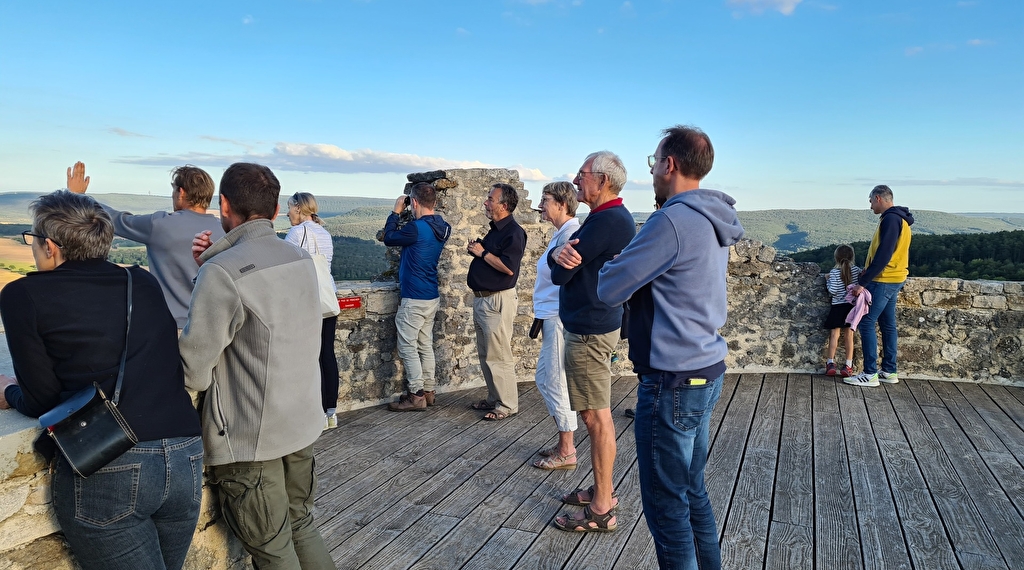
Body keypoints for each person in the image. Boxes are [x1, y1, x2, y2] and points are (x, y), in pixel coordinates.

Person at [0, 190, 203, 570]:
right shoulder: (139, 283)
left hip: (111, 461)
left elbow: (42, 400)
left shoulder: (22, 295)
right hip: (184, 454)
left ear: (51, 247)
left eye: (32, 240)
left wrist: (9, 393)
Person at [598, 125, 745, 569]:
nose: (654, 170)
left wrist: (614, 263)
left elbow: (610, 286)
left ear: (670, 165)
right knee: (691, 491)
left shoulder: (672, 220)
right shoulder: (711, 216)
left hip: (671, 381)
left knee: (666, 507)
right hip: (706, 369)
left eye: (654, 161)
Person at [180, 163, 334, 570]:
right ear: (277, 207)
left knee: (272, 546)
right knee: (301, 524)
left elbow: (193, 369)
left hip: (251, 436)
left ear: (223, 204)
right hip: (300, 424)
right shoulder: (300, 258)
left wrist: (210, 272)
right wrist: (212, 268)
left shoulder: (222, 272)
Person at [550, 151, 636, 533]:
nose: (577, 179)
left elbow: (560, 275)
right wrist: (558, 255)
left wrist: (557, 258)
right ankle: (602, 492)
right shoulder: (610, 218)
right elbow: (562, 262)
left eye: (582, 174)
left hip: (588, 328)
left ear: (602, 180)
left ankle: (602, 507)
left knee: (595, 417)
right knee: (594, 413)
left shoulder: (606, 221)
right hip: (596, 323)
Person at [65, 161, 224, 328]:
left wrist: (78, 197)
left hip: (168, 327)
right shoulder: (223, 230)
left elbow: (116, 220)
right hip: (209, 327)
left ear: (181, 192)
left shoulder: (160, 225)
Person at [382, 182, 452, 411]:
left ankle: (416, 394)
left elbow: (389, 237)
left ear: (413, 202)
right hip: (431, 295)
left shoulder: (417, 228)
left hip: (414, 296)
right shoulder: (443, 227)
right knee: (424, 344)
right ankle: (429, 390)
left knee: (407, 346)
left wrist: (395, 212)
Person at [530, 181, 581, 470]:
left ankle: (567, 449)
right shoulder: (561, 234)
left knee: (555, 381)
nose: (541, 204)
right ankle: (564, 442)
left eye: (545, 199)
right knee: (544, 378)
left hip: (559, 317)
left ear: (562, 204)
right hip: (552, 315)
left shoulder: (571, 234)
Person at [466, 183, 527, 421]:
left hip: (496, 301)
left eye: (490, 199)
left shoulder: (514, 232)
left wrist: (482, 253)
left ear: (503, 205)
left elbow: (509, 269)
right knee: (486, 353)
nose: (485, 202)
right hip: (484, 300)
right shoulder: (497, 230)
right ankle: (494, 398)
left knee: (499, 354)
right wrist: (479, 251)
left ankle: (507, 404)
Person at [845, 185, 914, 387]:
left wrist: (862, 283)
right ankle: (889, 371)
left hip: (884, 278)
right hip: (896, 276)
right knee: (887, 324)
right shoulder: (901, 219)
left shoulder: (891, 219)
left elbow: (884, 254)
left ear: (878, 198)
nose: (870, 207)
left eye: (870, 202)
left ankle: (869, 373)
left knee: (866, 322)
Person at [284, 192, 341, 428]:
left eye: (289, 208)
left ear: (298, 208)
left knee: (304, 357)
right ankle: (331, 411)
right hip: (327, 300)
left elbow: (284, 270)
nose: (286, 213)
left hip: (305, 302)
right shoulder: (324, 234)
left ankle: (310, 412)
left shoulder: (297, 233)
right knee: (326, 354)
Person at [823, 244, 862, 377]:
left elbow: (832, 290)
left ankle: (830, 363)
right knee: (849, 337)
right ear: (852, 257)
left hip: (837, 307)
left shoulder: (834, 272)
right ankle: (848, 366)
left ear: (836, 258)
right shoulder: (857, 270)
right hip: (851, 308)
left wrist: (827, 280)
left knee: (834, 336)